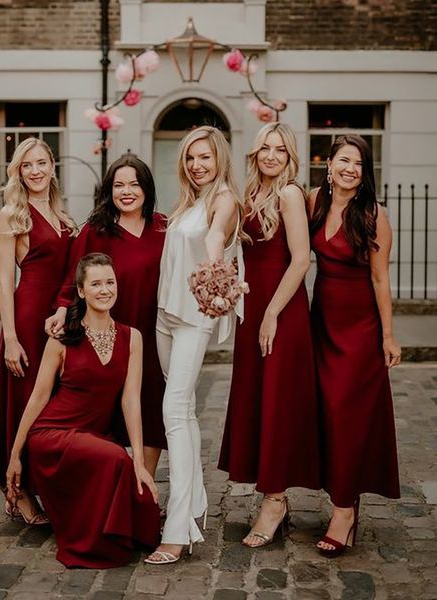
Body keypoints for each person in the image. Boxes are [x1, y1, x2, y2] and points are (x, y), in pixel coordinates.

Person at [6, 253, 160, 568]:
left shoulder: (133, 338)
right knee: (117, 457)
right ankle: (95, 542)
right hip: (53, 436)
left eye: (109, 282)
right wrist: (14, 455)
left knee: (145, 507)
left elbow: (130, 401)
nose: (104, 290)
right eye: (95, 284)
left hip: (95, 438)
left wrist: (140, 465)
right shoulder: (61, 339)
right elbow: (37, 398)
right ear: (81, 291)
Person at [145, 125, 244, 564]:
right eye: (190, 158)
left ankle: (178, 527)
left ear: (218, 158)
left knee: (174, 412)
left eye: (204, 156)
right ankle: (197, 503)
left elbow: (215, 236)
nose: (197, 164)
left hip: (195, 317)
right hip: (165, 316)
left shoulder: (224, 198)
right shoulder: (187, 201)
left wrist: (215, 265)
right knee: (181, 412)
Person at [218, 122, 320, 547]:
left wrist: (272, 313)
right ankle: (271, 492)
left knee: (277, 402)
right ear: (255, 152)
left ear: (290, 154)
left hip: (282, 311)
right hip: (252, 309)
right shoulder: (250, 195)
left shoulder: (291, 194)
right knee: (258, 400)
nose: (272, 155)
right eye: (265, 148)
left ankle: (275, 501)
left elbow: (301, 260)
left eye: (280, 149)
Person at [308, 134, 401, 557]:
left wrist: (388, 335)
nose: (350, 169)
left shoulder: (375, 215)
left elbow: (380, 279)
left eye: (359, 164)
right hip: (321, 323)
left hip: (359, 329)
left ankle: (343, 512)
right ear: (329, 164)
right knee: (326, 415)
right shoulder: (314, 202)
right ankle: (344, 499)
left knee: (347, 416)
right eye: (343, 160)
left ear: (365, 174)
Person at [45, 154, 166, 475]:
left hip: (154, 333)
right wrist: (60, 310)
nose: (127, 191)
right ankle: (108, 479)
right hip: (108, 332)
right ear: (109, 190)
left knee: (151, 406)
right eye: (119, 185)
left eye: (135, 184)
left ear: (147, 189)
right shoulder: (96, 230)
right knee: (106, 408)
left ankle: (145, 482)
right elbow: (74, 277)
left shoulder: (164, 227)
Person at [0, 137, 77, 523]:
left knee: (52, 401)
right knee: (23, 402)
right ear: (18, 172)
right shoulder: (11, 215)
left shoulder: (61, 213)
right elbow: (5, 283)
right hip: (27, 315)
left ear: (53, 166)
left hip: (60, 318)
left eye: (41, 163)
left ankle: (46, 484)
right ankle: (17, 490)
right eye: (26, 165)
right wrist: (12, 338)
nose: (35, 171)